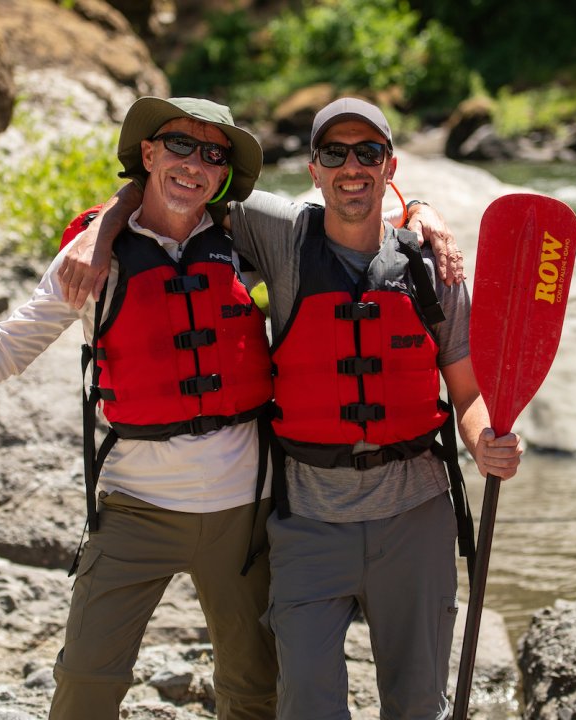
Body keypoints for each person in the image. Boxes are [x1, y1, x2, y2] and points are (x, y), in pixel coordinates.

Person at [60, 97, 522, 720]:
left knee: (417, 706)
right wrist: (103, 226)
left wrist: (484, 440)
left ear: (391, 166)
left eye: (368, 153)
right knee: (303, 701)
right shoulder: (279, 232)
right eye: (335, 153)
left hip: (415, 515)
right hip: (308, 519)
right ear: (312, 169)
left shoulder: (430, 266)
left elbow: (466, 393)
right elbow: (175, 194)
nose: (351, 166)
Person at [0, 97, 280, 720]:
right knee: (86, 682)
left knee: (254, 688)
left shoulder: (250, 239)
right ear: (147, 154)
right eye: (179, 145)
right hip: (136, 511)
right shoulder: (94, 259)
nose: (194, 165)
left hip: (243, 514)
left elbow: (355, 213)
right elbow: (9, 347)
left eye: (213, 154)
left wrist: (422, 214)